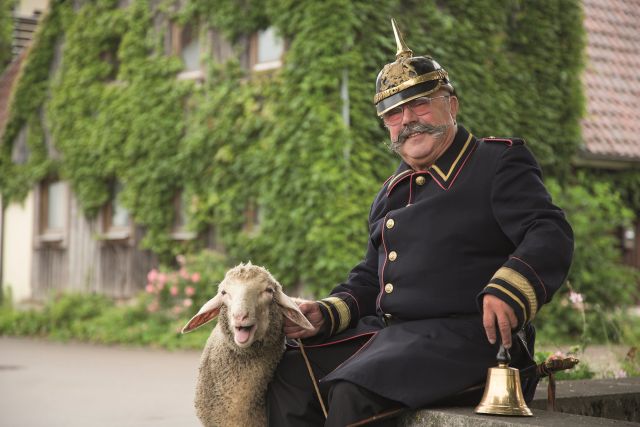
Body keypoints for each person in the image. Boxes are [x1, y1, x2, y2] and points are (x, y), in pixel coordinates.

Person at [267, 19, 574, 427]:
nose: (408, 119)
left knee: (351, 391)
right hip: (390, 338)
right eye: (394, 113)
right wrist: (324, 313)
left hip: (469, 340)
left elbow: (549, 230)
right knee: (288, 373)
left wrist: (509, 288)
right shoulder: (390, 190)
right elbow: (367, 280)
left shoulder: (496, 162)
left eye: (420, 103)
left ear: (452, 104)